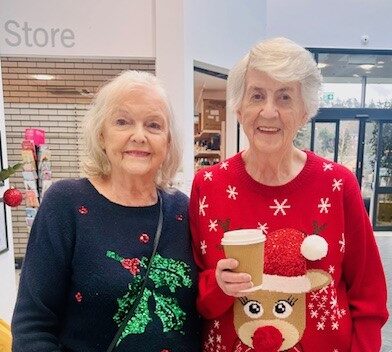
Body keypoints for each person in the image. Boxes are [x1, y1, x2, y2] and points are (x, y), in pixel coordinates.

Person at [189, 37, 388, 352]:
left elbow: (369, 295)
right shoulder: (208, 185)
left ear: (305, 110)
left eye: (284, 97)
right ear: (239, 107)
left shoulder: (337, 184)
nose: (269, 112)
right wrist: (219, 286)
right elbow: (196, 297)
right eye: (257, 95)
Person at [12, 71, 200, 352]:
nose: (139, 136)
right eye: (123, 122)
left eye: (153, 125)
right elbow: (33, 325)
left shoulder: (183, 210)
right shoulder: (65, 205)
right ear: (102, 134)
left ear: (168, 141)